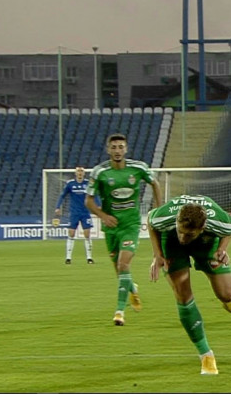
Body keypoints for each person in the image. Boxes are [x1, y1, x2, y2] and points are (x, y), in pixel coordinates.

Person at [148, 195, 231, 375]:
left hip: (205, 244)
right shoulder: (165, 217)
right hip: (171, 244)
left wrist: (222, 249)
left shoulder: (217, 221)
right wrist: (157, 254)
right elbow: (151, 220)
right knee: (182, 294)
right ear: (177, 220)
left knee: (226, 295)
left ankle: (227, 299)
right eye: (181, 230)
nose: (183, 236)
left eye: (188, 234)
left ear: (202, 228)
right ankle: (206, 355)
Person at [85, 133, 162, 326]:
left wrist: (158, 208)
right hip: (111, 228)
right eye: (114, 147)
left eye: (121, 147)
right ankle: (133, 289)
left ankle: (119, 312)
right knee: (120, 271)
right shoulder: (99, 172)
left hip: (131, 225)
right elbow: (89, 201)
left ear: (126, 149)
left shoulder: (138, 168)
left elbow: (155, 183)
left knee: (123, 265)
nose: (117, 151)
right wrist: (103, 216)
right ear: (108, 149)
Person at [55, 166, 100, 264]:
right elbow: (62, 195)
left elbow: (94, 195)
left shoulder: (88, 183)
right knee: (71, 233)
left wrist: (99, 206)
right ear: (75, 173)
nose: (80, 173)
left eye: (81, 171)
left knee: (87, 234)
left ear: (84, 173)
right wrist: (58, 207)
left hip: (85, 212)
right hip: (74, 213)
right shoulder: (70, 184)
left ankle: (89, 258)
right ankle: (68, 258)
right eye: (78, 171)